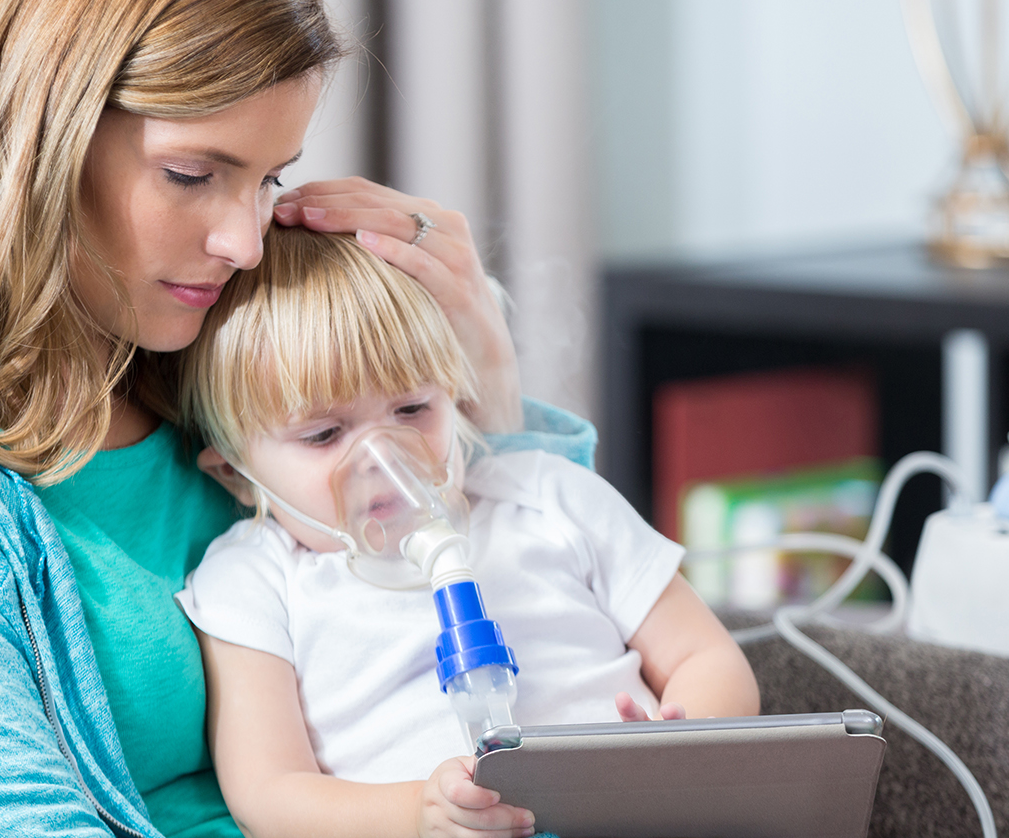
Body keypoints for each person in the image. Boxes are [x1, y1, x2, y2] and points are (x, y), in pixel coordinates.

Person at [0, 0, 595, 836]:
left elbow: (559, 633)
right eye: (192, 175)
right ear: (40, 137)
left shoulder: (217, 357)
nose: (245, 243)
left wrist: (483, 367)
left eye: (270, 180)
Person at [173, 226, 760, 838]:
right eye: (324, 435)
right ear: (236, 475)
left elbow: (707, 655)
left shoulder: (547, 498)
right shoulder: (253, 580)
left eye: (412, 410)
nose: (383, 457)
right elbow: (268, 795)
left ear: (454, 397)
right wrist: (417, 814)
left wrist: (682, 744)